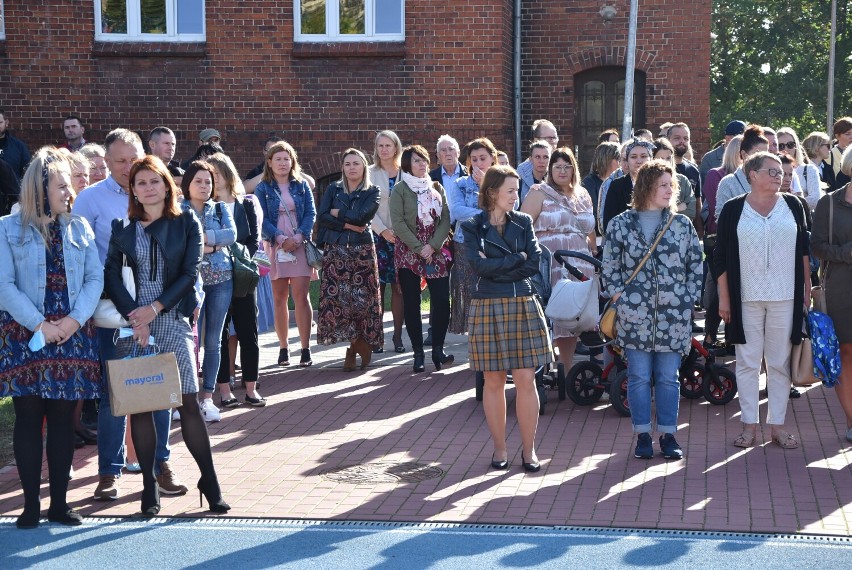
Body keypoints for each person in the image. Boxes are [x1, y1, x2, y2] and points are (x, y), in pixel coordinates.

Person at [105, 154, 230, 515]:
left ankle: (210, 480)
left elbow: (190, 273)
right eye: (140, 183)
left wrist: (154, 309)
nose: (147, 188)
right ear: (133, 191)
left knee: (187, 401)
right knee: (143, 406)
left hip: (171, 317)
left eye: (154, 181)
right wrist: (136, 316)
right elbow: (111, 275)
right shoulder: (123, 227)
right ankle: (149, 485)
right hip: (134, 325)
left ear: (166, 184)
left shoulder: (186, 220)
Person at [73, 128, 187, 500]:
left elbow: (182, 258)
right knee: (114, 395)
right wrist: (128, 311)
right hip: (115, 313)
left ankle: (160, 466)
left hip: (159, 312)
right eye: (119, 161)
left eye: (132, 159)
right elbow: (85, 262)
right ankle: (109, 471)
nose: (126, 167)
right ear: (105, 162)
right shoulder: (90, 200)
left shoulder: (159, 195)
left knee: (159, 391)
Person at [0, 147, 103, 528]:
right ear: (40, 188)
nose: (70, 193)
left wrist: (74, 322)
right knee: (28, 417)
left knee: (62, 420)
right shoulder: (6, 228)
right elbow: (4, 285)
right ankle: (30, 507)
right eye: (61, 186)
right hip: (26, 334)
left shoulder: (80, 227)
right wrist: (40, 325)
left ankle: (59, 504)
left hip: (72, 334)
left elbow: (95, 278)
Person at [602, 160, 702, 460]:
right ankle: (642, 434)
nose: (671, 190)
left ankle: (669, 434)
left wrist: (688, 297)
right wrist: (620, 294)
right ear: (646, 186)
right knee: (639, 377)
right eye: (664, 185)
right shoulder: (620, 224)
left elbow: (696, 265)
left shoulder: (681, 225)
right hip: (634, 315)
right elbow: (609, 265)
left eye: (672, 185)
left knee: (668, 377)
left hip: (673, 316)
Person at [714, 152, 810, 450]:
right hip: (746, 298)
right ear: (751, 174)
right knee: (746, 363)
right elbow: (719, 258)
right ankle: (748, 427)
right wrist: (725, 299)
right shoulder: (733, 209)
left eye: (780, 171)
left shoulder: (794, 205)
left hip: (786, 296)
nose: (778, 176)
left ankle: (777, 427)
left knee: (779, 364)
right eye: (771, 171)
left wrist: (806, 293)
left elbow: (804, 253)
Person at [462, 165, 553, 472]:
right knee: (493, 381)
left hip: (522, 302)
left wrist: (501, 262)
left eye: (518, 190)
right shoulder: (473, 225)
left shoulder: (524, 221)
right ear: (492, 193)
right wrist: (517, 259)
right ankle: (499, 450)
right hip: (487, 304)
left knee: (526, 379)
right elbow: (477, 267)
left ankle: (529, 452)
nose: (517, 196)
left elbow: (534, 264)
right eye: (511, 190)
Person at [521, 147, 595, 369]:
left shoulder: (583, 195)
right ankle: (553, 365)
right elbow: (523, 228)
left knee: (575, 317)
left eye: (567, 166)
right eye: (557, 167)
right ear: (550, 170)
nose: (562, 171)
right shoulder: (538, 193)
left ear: (574, 169)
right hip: (551, 264)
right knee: (558, 314)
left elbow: (591, 233)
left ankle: (567, 367)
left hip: (580, 262)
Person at [206, 153, 265, 407]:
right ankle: (224, 391)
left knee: (248, 332)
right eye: (210, 175)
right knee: (217, 335)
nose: (213, 179)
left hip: (242, 277)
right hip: (215, 278)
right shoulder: (207, 208)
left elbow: (253, 240)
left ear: (228, 174)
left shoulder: (246, 204)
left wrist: (238, 259)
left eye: (217, 174)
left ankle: (251, 388)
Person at [316, 149, 382, 370]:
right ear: (342, 167)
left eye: (356, 163)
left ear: (364, 166)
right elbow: (323, 217)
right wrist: (346, 223)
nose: (352, 167)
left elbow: (363, 217)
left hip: (362, 251)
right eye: (347, 164)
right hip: (336, 250)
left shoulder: (373, 191)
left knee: (362, 301)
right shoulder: (333, 189)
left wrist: (338, 214)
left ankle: (358, 346)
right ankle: (353, 345)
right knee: (340, 301)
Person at [180, 161, 237, 421]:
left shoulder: (220, 207)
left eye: (208, 182)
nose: (204, 186)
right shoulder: (179, 210)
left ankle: (207, 398)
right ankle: (184, 401)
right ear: (187, 184)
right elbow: (180, 241)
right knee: (189, 343)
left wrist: (201, 241)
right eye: (198, 181)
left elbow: (231, 235)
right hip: (189, 284)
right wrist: (211, 241)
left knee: (213, 341)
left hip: (220, 280)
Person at [389, 145, 453, 373]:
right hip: (409, 251)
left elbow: (445, 219)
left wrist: (432, 246)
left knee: (442, 302)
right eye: (417, 160)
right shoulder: (399, 190)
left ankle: (438, 349)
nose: (422, 164)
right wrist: (418, 248)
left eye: (424, 160)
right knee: (412, 303)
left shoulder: (436, 188)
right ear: (407, 164)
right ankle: (417, 352)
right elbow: (398, 224)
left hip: (434, 249)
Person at [254, 141, 316, 367]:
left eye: (286, 159)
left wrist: (299, 237)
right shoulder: (262, 188)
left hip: (299, 244)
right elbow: (261, 219)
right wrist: (280, 239)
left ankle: (306, 348)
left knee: (301, 296)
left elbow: (311, 213)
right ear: (269, 162)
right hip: (275, 245)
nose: (282, 163)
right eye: (278, 159)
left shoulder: (301, 186)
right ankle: (283, 347)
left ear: (293, 162)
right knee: (279, 299)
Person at [811, 148, 852, 443]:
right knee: (847, 354)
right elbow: (817, 247)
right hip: (840, 290)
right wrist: (847, 253)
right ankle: (851, 420)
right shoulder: (830, 203)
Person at [447, 138, 498, 336]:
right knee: (469, 290)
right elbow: (458, 211)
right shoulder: (460, 183)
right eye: (474, 159)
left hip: (495, 242)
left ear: (492, 159)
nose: (478, 164)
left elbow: (508, 207)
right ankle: (474, 340)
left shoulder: (504, 180)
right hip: (466, 242)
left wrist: (485, 184)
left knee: (491, 290)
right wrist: (487, 214)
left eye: (482, 158)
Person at [701, 134, 742, 351]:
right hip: (719, 241)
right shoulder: (716, 175)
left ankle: (730, 338)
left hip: (742, 244)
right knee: (719, 290)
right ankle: (709, 335)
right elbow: (718, 208)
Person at [368, 130, 406, 354]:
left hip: (403, 237)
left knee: (399, 288)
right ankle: (377, 336)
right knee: (378, 288)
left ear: (396, 148)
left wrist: (399, 231)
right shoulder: (371, 173)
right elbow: (367, 206)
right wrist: (382, 230)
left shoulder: (406, 172)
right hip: (377, 236)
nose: (384, 149)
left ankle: (398, 337)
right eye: (380, 145)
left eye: (388, 145)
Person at [715, 125, 770, 219]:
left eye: (766, 155)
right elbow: (721, 218)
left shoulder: (771, 180)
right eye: (758, 154)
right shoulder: (728, 183)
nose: (763, 160)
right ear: (744, 155)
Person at [601, 138, 654, 232]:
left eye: (643, 156)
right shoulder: (617, 186)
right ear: (627, 161)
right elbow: (609, 223)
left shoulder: (659, 184)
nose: (639, 161)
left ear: (651, 159)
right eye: (633, 157)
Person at [777, 127, 822, 211]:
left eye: (790, 145)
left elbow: (815, 200)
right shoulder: (771, 170)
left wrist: (787, 205)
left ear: (796, 146)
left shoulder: (809, 169)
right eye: (781, 146)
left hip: (803, 219)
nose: (786, 149)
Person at [652, 138, 696, 220]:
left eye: (668, 158)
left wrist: (665, 210)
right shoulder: (647, 181)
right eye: (661, 159)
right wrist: (676, 208)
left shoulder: (683, 181)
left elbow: (691, 212)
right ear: (653, 159)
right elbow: (650, 213)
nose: (665, 162)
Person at [581, 141, 620, 230]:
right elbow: (594, 213)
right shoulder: (589, 183)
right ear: (607, 159)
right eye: (618, 159)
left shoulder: (619, 181)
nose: (620, 163)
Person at [517, 119, 558, 202]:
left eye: (555, 138)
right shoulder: (521, 173)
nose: (553, 142)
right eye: (549, 138)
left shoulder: (562, 168)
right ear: (536, 140)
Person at [0, 109, 32, 180]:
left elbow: (28, 172)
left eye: (0, 122)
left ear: (6, 122)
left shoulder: (19, 147)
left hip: (12, 190)